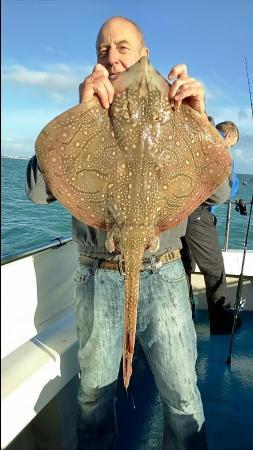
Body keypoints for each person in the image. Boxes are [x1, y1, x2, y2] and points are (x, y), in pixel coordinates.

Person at [26, 16, 231, 450]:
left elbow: (220, 192)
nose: (113, 58)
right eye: (103, 50)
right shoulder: (88, 114)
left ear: (144, 56)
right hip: (97, 276)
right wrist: (82, 113)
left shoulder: (177, 114)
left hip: (166, 271)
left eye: (123, 48)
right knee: (93, 398)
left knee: (182, 398)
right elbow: (36, 192)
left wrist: (198, 120)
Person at [183, 121, 240, 334]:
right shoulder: (217, 146)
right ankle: (222, 323)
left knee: (184, 265)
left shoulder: (197, 139)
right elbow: (226, 191)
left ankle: (187, 314)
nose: (230, 150)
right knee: (214, 268)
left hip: (181, 213)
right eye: (232, 145)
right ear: (227, 137)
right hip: (198, 214)